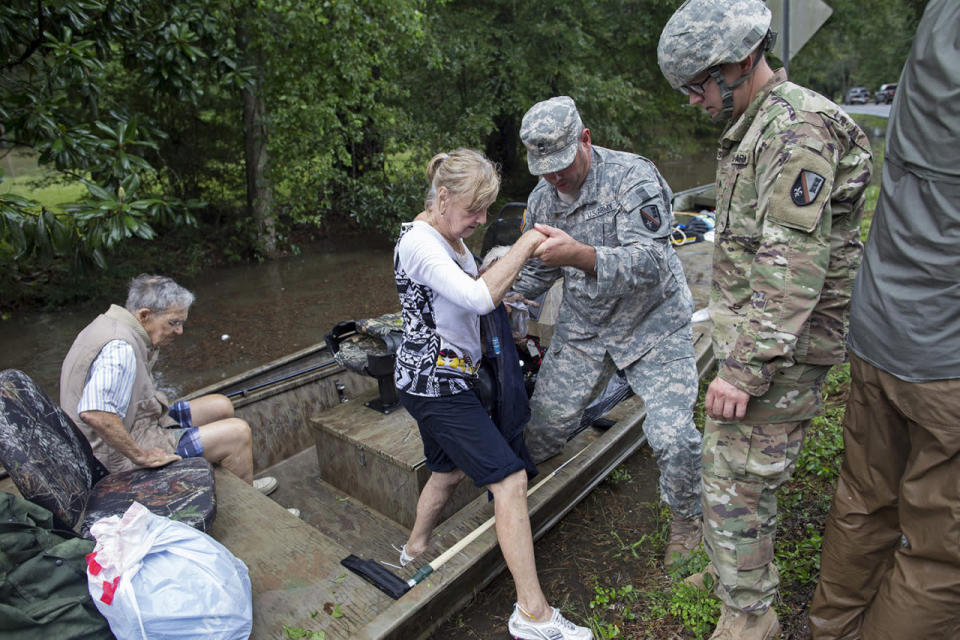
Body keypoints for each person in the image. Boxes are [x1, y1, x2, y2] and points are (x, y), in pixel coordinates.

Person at [657, 1, 873, 638]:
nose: (694, 101)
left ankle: (750, 617)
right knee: (733, 469)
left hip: (784, 346)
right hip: (764, 337)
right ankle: (733, 575)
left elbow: (792, 265)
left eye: (698, 86)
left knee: (737, 483)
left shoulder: (795, 130)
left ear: (739, 63)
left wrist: (744, 370)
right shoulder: (761, 124)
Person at [393, 148, 592, 640]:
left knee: (447, 470)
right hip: (434, 385)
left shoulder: (449, 237)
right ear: (442, 198)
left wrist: (512, 291)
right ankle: (532, 614)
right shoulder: (419, 243)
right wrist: (526, 241)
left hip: (446, 378)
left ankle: (412, 551)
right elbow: (479, 298)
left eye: (486, 210)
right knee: (509, 481)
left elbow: (473, 292)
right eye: (474, 210)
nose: (481, 220)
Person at [808, 2, 960, 638]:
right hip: (947, 358)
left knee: (864, 500)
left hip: (879, 333)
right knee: (939, 551)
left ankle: (831, 627)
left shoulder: (938, 30)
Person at [512, 95, 703, 567]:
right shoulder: (542, 199)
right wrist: (500, 295)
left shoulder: (631, 178)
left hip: (652, 324)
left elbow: (654, 264)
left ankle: (688, 521)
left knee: (673, 435)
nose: (555, 177)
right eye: (544, 168)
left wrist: (580, 255)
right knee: (540, 432)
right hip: (586, 329)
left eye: (562, 164)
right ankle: (511, 501)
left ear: (586, 139)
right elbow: (534, 277)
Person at [60, 275, 281, 497]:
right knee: (238, 433)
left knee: (220, 405)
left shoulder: (112, 323)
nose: (179, 332)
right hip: (112, 458)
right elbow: (95, 413)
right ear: (145, 315)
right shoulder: (120, 348)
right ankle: (245, 505)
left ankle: (238, 483)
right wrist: (141, 456)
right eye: (173, 323)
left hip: (139, 424)